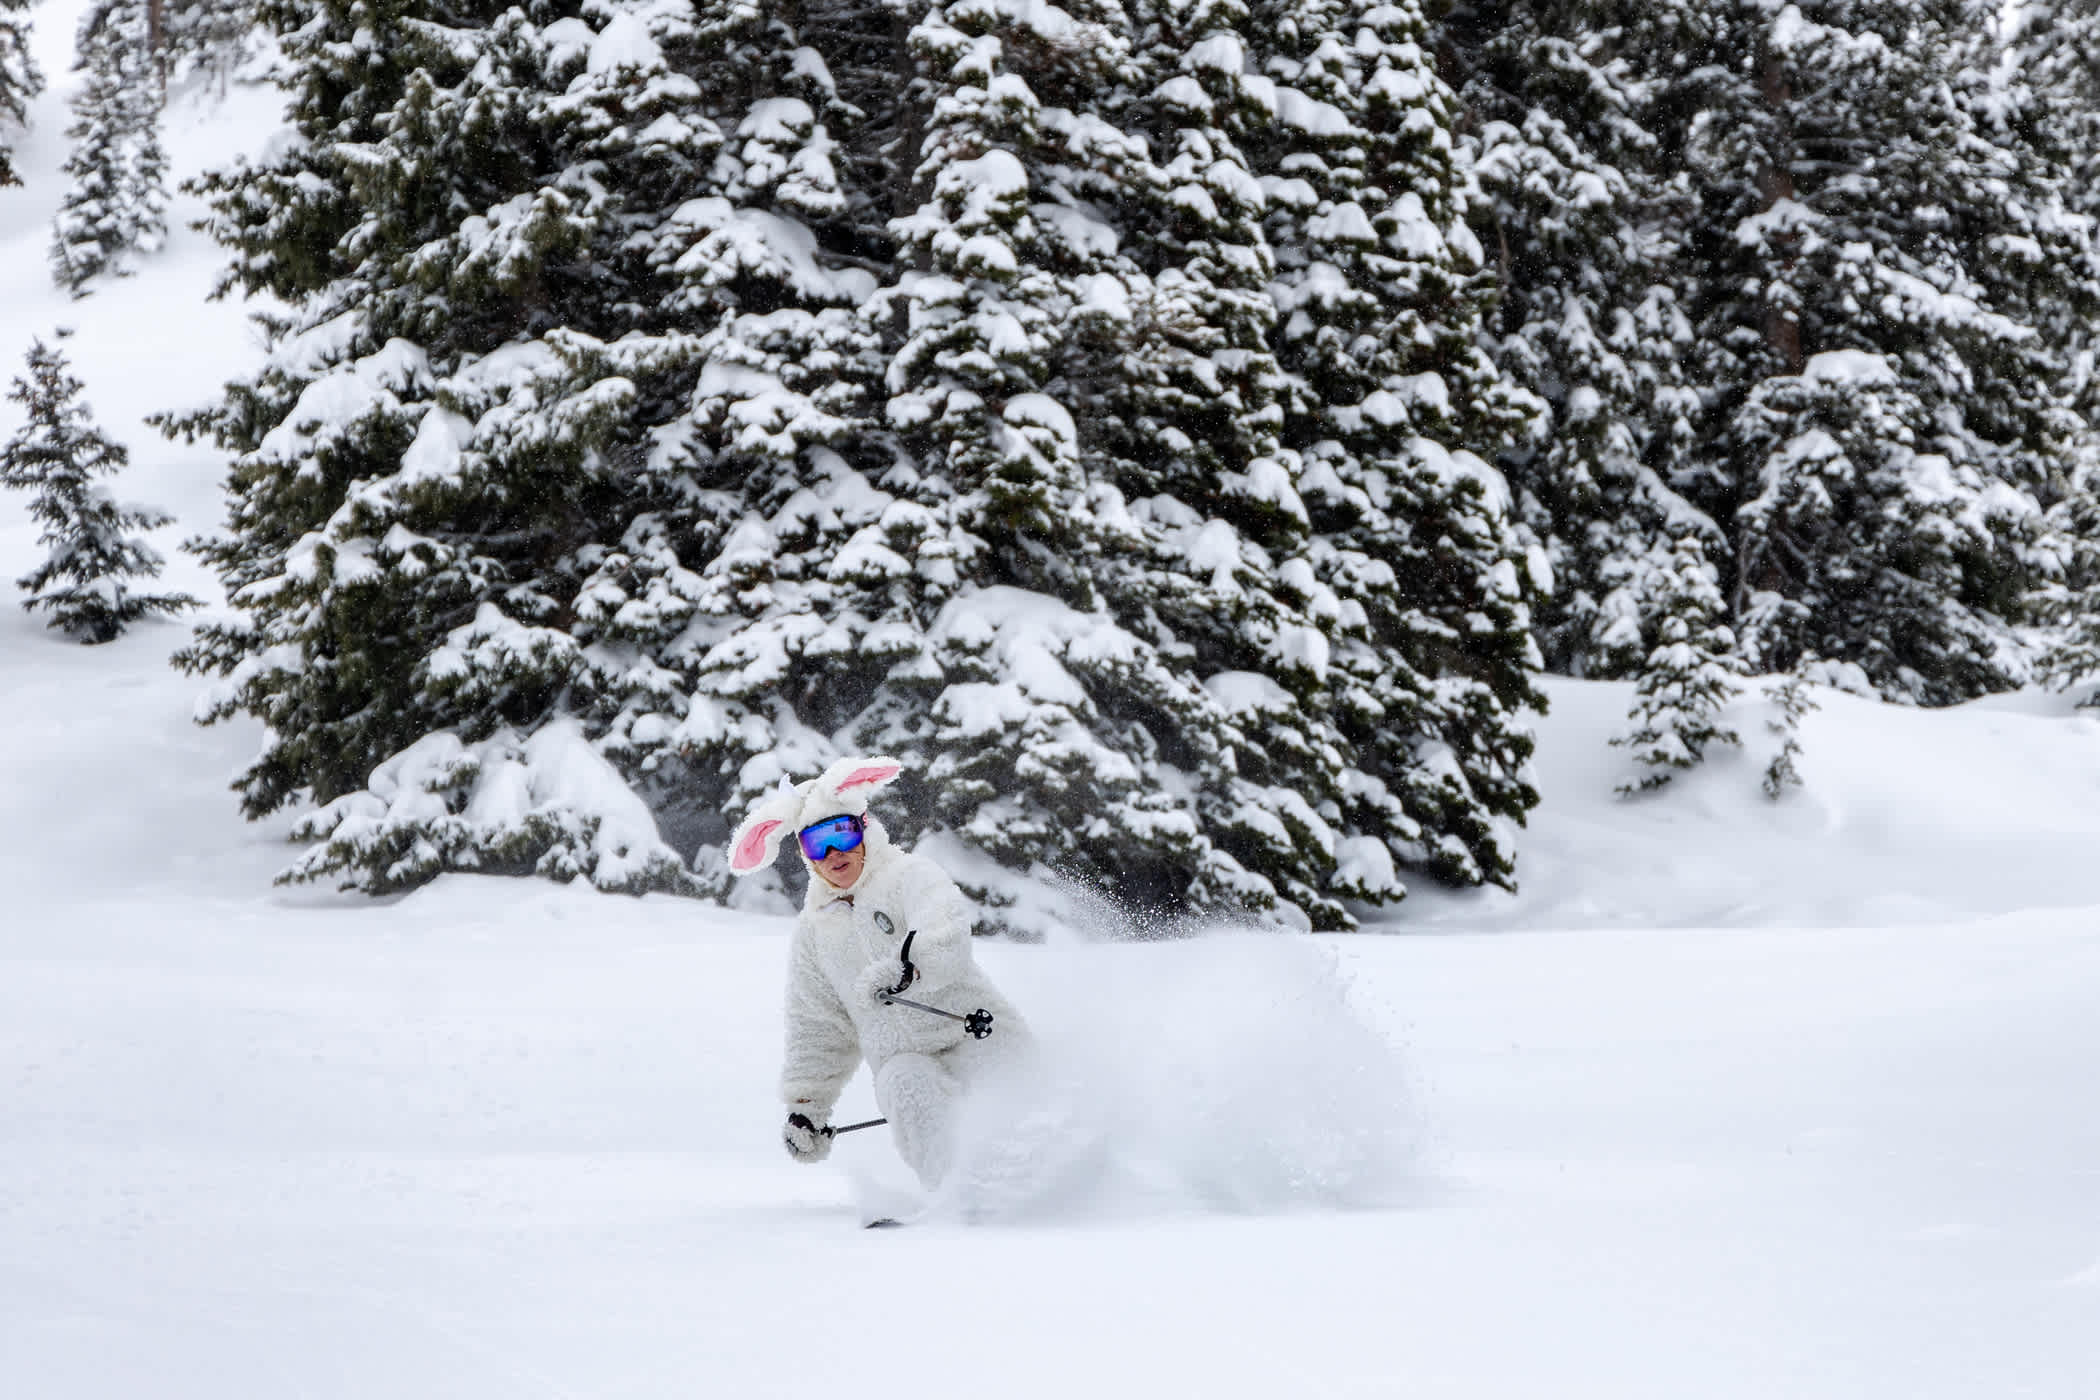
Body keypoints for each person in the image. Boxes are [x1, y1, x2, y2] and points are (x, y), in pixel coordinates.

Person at [726, 756, 1029, 1191]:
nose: (834, 854)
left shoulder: (909, 876)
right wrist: (807, 1107)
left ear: (864, 828)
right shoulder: (815, 933)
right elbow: (819, 1026)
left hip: (975, 1035)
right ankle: (961, 1197)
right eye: (817, 844)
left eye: (841, 834)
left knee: (1019, 1119)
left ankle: (1044, 1184)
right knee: (901, 1084)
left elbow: (946, 926)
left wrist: (910, 966)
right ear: (804, 854)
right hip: (908, 1060)